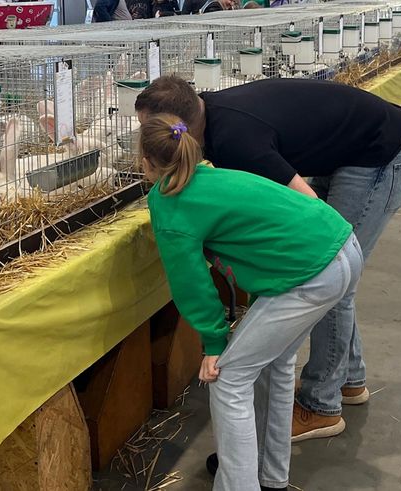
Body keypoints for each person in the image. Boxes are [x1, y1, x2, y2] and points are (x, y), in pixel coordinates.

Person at [135, 75, 401, 464]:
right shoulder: (209, 119)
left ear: (176, 124)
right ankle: (348, 381)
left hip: (380, 151)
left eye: (147, 128)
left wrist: (293, 276)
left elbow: (307, 202)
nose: (146, 137)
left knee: (332, 284)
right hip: (350, 147)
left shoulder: (236, 140)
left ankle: (322, 403)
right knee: (328, 283)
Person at [140, 113, 363, 491]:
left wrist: (214, 343)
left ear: (144, 161)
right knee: (275, 363)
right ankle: (270, 477)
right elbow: (264, 237)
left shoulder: (170, 203)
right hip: (340, 245)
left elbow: (190, 281)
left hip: (312, 271)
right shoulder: (209, 175)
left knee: (228, 380)